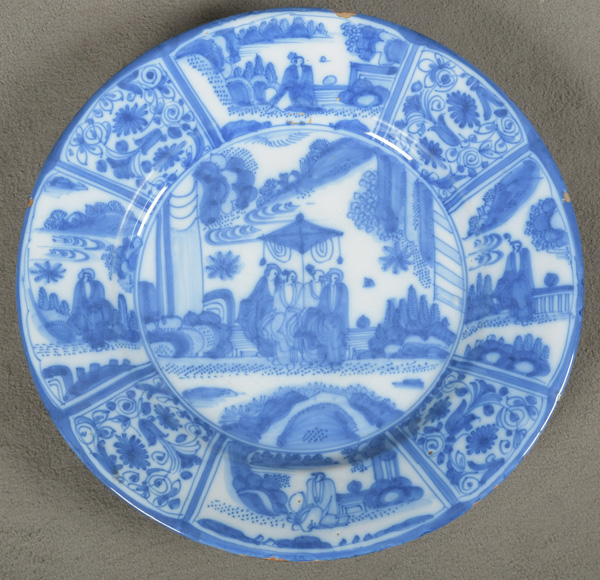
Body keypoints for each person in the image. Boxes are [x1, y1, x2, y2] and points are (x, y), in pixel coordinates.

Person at [237, 263, 280, 358]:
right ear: (268, 273)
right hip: (261, 311)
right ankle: (263, 352)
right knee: (260, 328)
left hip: (273, 310)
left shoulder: (278, 283)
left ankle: (274, 352)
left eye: (277, 273)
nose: (276, 275)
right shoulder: (263, 281)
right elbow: (255, 295)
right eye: (274, 273)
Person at [69, 268, 113, 349]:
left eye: (88, 276)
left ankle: (97, 338)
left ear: (90, 277)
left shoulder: (95, 285)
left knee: (95, 316)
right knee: (84, 317)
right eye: (84, 276)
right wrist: (76, 310)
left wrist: (95, 306)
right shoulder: (79, 285)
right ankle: (87, 336)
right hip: (82, 308)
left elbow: (99, 298)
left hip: (93, 308)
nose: (86, 277)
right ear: (82, 277)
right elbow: (76, 300)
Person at [494, 239, 535, 322]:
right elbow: (507, 271)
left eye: (517, 246)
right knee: (507, 287)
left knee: (520, 290)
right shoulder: (510, 256)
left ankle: (524, 314)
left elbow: (527, 269)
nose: (515, 248)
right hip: (513, 280)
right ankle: (518, 313)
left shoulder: (524, 254)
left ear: (519, 246)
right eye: (514, 246)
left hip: (523, 280)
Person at [269, 270, 302, 367]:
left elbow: (300, 302)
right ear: (287, 277)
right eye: (291, 276)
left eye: (294, 277)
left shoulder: (298, 288)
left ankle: (294, 358)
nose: (293, 278)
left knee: (292, 333)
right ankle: (282, 358)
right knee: (279, 331)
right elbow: (276, 301)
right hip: (281, 314)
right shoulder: (279, 288)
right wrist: (276, 312)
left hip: (294, 315)